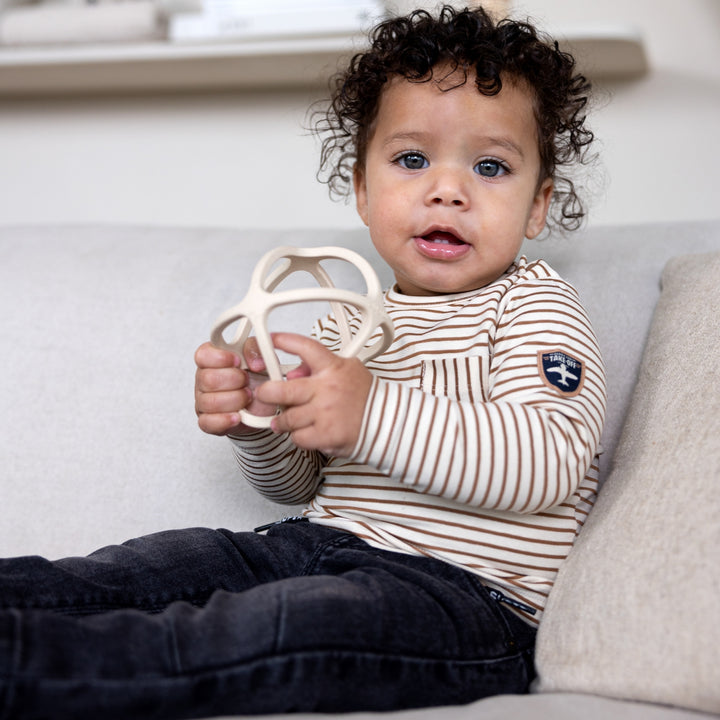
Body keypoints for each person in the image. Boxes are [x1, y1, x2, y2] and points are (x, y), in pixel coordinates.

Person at [0, 6, 605, 719]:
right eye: (412, 159)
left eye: (491, 166)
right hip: (309, 545)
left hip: (460, 603)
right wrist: (259, 422)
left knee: (256, 632)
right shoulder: (348, 320)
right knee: (151, 566)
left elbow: (545, 463)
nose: (448, 189)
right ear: (361, 188)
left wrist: (369, 411)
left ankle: (28, 670)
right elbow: (296, 487)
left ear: (537, 206)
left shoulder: (534, 305)